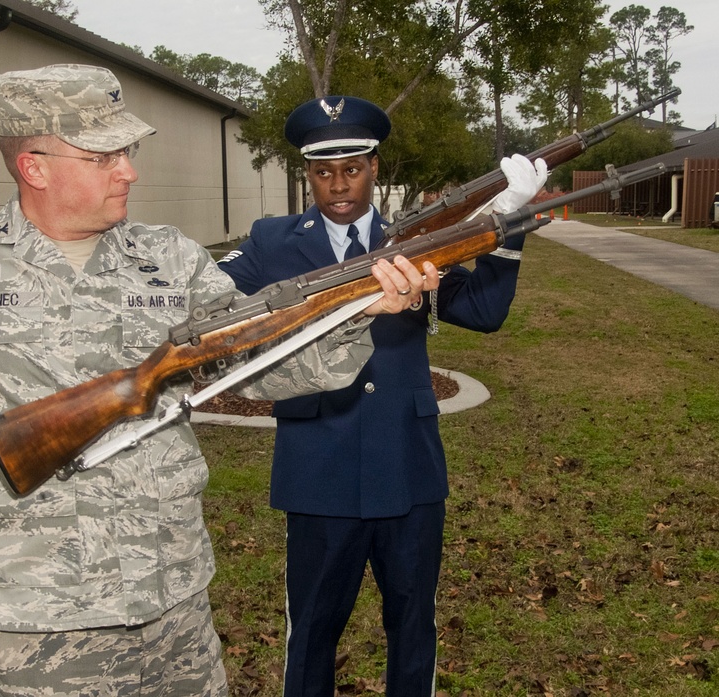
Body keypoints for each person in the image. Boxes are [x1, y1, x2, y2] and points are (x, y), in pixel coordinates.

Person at [0, 67, 437, 697]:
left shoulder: (171, 259)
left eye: (128, 153)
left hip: (174, 610)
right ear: (34, 167)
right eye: (103, 156)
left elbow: (268, 363)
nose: (128, 172)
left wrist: (358, 311)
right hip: (41, 618)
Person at [217, 95, 547, 697]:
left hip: (408, 466)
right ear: (307, 174)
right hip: (318, 471)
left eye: (353, 168)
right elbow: (213, 305)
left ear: (374, 167)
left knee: (413, 628)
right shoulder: (272, 241)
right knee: (312, 631)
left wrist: (506, 228)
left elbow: (483, 311)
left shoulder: (421, 239)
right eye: (323, 171)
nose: (339, 184)